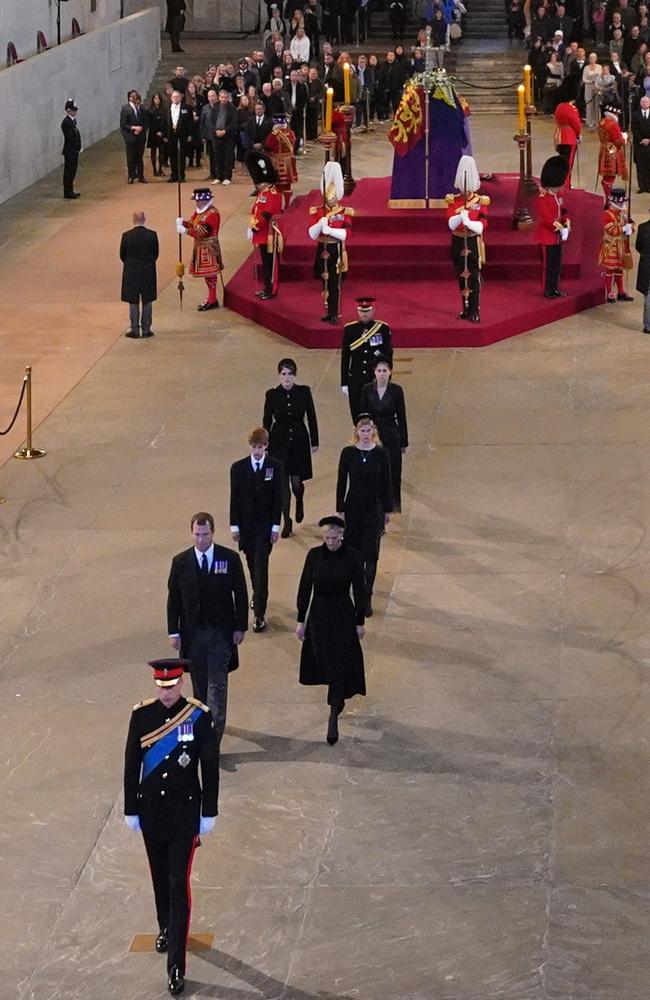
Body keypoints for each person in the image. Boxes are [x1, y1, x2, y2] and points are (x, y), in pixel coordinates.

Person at [123, 657, 219, 996]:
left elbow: (209, 766)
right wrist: (131, 808)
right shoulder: (142, 716)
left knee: (179, 883)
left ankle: (176, 965)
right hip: (152, 812)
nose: (167, 693)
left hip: (183, 815)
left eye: (173, 686)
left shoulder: (198, 716)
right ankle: (165, 925)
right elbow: (131, 762)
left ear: (181, 683)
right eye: (162, 687)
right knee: (159, 875)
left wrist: (209, 811)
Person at [167, 512, 248, 743]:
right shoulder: (180, 562)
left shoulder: (229, 559)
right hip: (193, 636)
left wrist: (240, 626)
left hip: (220, 635)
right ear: (191, 533)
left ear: (212, 533)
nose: (201, 539)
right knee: (199, 689)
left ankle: (213, 742)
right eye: (197, 534)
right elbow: (174, 600)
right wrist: (174, 631)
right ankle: (203, 728)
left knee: (217, 689)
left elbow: (240, 594)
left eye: (205, 534)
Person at [296, 516, 366, 745]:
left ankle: (334, 712)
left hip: (343, 614)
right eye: (326, 538)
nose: (330, 542)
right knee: (325, 660)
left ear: (342, 536)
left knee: (338, 663)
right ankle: (336, 701)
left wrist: (359, 621)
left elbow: (360, 589)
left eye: (334, 538)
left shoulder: (353, 557)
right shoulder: (314, 556)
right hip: (319, 615)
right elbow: (305, 586)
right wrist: (301, 620)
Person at [336, 415, 393, 616]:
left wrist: (388, 510)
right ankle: (358, 592)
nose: (366, 435)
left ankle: (366, 596)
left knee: (371, 553)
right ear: (356, 432)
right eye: (363, 431)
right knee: (355, 553)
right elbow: (342, 481)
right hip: (353, 507)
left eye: (369, 431)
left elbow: (387, 482)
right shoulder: (348, 453)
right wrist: (340, 507)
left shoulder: (380, 453)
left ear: (373, 432)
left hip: (374, 509)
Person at [230, 428, 284, 633]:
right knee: (252, 564)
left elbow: (278, 499)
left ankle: (259, 612)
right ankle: (257, 594)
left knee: (262, 568)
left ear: (266, 446)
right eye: (254, 447)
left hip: (264, 528)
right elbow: (234, 498)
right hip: (246, 527)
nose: (257, 451)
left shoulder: (275, 467)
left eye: (260, 447)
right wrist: (234, 526)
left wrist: (275, 527)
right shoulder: (238, 468)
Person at [263, 358, 319, 537]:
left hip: (298, 440)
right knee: (282, 485)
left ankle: (300, 498)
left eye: (290, 374)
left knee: (296, 482)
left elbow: (311, 416)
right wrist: (265, 443)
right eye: (283, 374)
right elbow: (266, 420)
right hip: (278, 441)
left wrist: (314, 440)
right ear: (279, 375)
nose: (287, 378)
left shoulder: (303, 392)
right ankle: (286, 520)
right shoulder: (272, 395)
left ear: (295, 375)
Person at [445, 155, 490, 324]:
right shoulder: (453, 200)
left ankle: (474, 308)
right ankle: (465, 307)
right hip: (458, 241)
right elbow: (450, 223)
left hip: (472, 241)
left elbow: (482, 224)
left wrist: (468, 221)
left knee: (474, 277)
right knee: (461, 276)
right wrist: (459, 217)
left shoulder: (480, 201)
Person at [308, 161, 354, 325]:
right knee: (324, 279)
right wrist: (320, 225)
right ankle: (327, 310)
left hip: (336, 248)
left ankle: (335, 312)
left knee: (334, 282)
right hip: (322, 247)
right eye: (329, 197)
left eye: (333, 197)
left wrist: (331, 231)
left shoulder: (344, 212)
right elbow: (311, 234)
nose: (331, 200)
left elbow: (346, 233)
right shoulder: (318, 210)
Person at [360, 358, 408, 512]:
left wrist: (403, 441)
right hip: (373, 434)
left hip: (391, 434)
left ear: (390, 373)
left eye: (385, 371)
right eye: (379, 371)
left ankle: (392, 505)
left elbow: (401, 416)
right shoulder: (367, 389)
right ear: (374, 372)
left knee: (393, 470)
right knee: (374, 470)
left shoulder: (396, 390)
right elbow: (364, 415)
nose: (382, 374)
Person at [340, 297, 393, 422]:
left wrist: (387, 378)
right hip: (356, 379)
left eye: (367, 311)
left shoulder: (382, 329)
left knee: (376, 413)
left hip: (373, 378)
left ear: (373, 310)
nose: (364, 314)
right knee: (357, 414)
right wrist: (344, 382)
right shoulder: (350, 329)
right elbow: (345, 357)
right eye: (361, 311)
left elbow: (388, 355)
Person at [177, 188, 224, 311]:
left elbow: (202, 232)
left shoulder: (212, 214)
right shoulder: (200, 212)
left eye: (199, 201)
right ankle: (211, 298)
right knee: (208, 276)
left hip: (209, 247)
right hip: (200, 246)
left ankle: (212, 299)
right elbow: (193, 223)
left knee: (210, 274)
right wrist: (184, 223)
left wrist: (185, 230)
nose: (197, 203)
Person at [246, 152, 284, 299]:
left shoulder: (274, 194)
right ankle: (266, 287)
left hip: (269, 235)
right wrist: (251, 226)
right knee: (265, 263)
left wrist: (253, 227)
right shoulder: (263, 194)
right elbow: (255, 211)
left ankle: (271, 289)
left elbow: (267, 215)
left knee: (271, 264)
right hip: (262, 234)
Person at [535, 154, 571, 299]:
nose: (559, 188)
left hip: (557, 238)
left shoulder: (558, 194)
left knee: (556, 264)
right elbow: (547, 219)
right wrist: (561, 228)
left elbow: (564, 210)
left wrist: (567, 223)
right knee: (548, 265)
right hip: (548, 237)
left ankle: (554, 287)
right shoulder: (543, 198)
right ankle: (547, 289)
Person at [119, 211, 159, 338]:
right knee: (147, 300)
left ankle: (134, 329)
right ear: (144, 219)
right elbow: (155, 253)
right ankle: (146, 329)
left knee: (133, 301)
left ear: (133, 220)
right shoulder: (152, 235)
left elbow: (122, 254)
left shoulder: (126, 236)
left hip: (132, 272)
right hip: (148, 271)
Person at [598, 187, 635, 303]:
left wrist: (630, 228)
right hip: (611, 246)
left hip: (622, 245)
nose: (622, 203)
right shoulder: (606, 214)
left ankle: (621, 292)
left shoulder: (623, 213)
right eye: (620, 202)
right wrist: (623, 228)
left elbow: (631, 223)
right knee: (610, 270)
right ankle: (609, 293)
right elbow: (610, 230)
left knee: (619, 269)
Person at [264, 114, 298, 207]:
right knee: (287, 185)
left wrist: (273, 134)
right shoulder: (291, 133)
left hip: (277, 162)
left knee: (278, 186)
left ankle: (278, 205)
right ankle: (287, 205)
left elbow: (268, 146)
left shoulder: (275, 134)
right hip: (289, 162)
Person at [553, 76, 582, 186]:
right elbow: (577, 125)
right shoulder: (571, 108)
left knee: (562, 163)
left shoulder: (559, 106)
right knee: (568, 165)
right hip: (569, 138)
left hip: (559, 137)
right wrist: (578, 135)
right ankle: (566, 186)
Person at [598, 103, 629, 203]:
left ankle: (608, 198)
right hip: (612, 152)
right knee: (610, 178)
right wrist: (625, 137)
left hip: (604, 149)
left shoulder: (602, 121)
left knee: (607, 177)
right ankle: (609, 200)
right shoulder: (613, 124)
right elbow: (619, 142)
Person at [120, 90, 148, 184]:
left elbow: (146, 123)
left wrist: (141, 129)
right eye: (133, 96)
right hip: (130, 137)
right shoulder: (125, 109)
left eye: (136, 97)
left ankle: (141, 176)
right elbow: (123, 125)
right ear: (129, 98)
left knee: (139, 157)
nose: (135, 98)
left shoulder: (142, 110)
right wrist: (133, 128)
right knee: (131, 157)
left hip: (140, 137)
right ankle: (131, 176)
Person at [164, 89, 191, 183]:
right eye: (174, 97)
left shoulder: (186, 108)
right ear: (171, 98)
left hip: (182, 135)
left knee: (182, 155)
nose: (175, 98)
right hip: (171, 135)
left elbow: (190, 123)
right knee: (172, 155)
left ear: (180, 97)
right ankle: (174, 175)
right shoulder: (167, 109)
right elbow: (164, 123)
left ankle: (181, 175)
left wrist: (190, 135)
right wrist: (165, 135)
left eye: (177, 96)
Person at [211, 90, 237, 185]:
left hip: (228, 136)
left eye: (225, 97)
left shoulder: (232, 108)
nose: (223, 99)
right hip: (217, 135)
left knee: (228, 157)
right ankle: (219, 177)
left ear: (228, 98)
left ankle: (227, 177)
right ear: (219, 98)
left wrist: (224, 131)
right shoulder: (215, 108)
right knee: (218, 157)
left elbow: (233, 122)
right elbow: (212, 121)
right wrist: (216, 131)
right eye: (222, 97)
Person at [61, 98, 81, 199]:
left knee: (73, 170)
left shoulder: (72, 121)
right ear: (68, 110)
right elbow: (71, 137)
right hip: (70, 151)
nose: (75, 112)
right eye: (73, 110)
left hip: (74, 150)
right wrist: (76, 146)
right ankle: (67, 191)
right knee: (69, 171)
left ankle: (70, 190)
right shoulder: (66, 122)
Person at [635, 207, 650, 332]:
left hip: (646, 265)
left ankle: (648, 326)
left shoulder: (642, 228)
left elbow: (638, 247)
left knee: (648, 298)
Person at [632, 95, 650, 193]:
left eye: (646, 102)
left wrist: (649, 139)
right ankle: (642, 186)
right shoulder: (635, 115)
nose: (644, 103)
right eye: (642, 102)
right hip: (639, 144)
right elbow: (634, 129)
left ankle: (649, 186)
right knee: (640, 166)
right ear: (640, 103)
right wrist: (642, 139)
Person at [147, 93, 166, 177]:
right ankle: (154, 169)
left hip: (162, 133)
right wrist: (156, 131)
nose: (157, 100)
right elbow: (149, 123)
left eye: (158, 99)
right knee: (153, 152)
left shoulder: (164, 110)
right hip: (153, 134)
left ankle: (160, 169)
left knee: (161, 152)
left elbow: (165, 122)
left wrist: (162, 132)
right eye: (155, 98)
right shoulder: (150, 110)